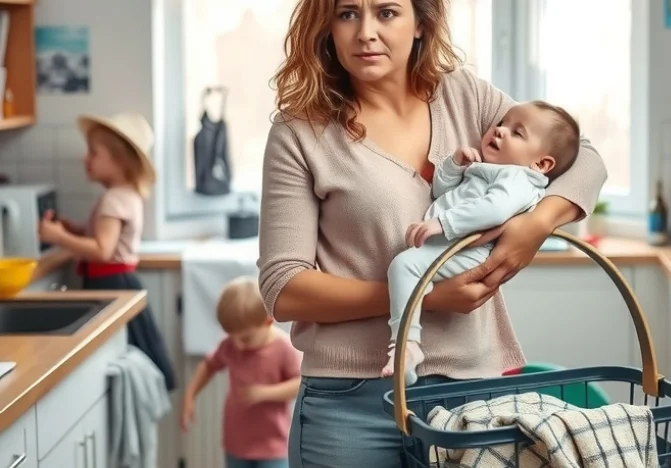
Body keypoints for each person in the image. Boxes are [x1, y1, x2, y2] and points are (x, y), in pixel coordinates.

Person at [258, 0, 608, 466]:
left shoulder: (465, 98)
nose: (366, 32)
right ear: (327, 25)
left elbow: (582, 156)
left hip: (474, 395)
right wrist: (428, 295)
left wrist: (536, 224)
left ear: (420, 22)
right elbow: (283, 288)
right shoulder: (300, 132)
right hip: (351, 405)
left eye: (386, 12)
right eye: (347, 14)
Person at [382, 100, 581, 384]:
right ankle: (407, 344)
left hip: (471, 253)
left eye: (517, 133)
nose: (499, 131)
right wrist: (454, 165)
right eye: (501, 124)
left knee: (403, 268)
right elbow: (442, 193)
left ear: (541, 163)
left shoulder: (520, 179)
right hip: (449, 246)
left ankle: (406, 346)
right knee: (405, 270)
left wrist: (442, 224)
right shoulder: (489, 169)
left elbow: (495, 209)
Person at [37, 111, 177, 391]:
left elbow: (103, 250)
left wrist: (59, 236)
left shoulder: (114, 200)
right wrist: (76, 230)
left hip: (110, 284)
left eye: (93, 152)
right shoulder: (125, 195)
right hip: (119, 282)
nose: (85, 158)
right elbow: (106, 241)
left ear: (119, 160)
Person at [180, 276, 301, 468]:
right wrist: (190, 394)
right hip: (236, 443)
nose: (237, 344)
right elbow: (209, 365)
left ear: (268, 321)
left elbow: (300, 384)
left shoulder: (284, 348)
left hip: (272, 446)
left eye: (245, 338)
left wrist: (264, 393)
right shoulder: (230, 345)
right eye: (231, 336)